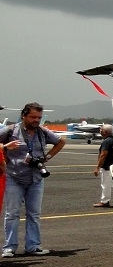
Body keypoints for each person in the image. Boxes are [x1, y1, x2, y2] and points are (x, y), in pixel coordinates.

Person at [1, 102, 65, 257]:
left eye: (39, 117)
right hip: (14, 177)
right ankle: (9, 247)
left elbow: (61, 141)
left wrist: (46, 157)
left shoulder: (42, 132)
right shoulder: (11, 130)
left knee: (34, 214)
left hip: (36, 178)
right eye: (33, 117)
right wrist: (5, 147)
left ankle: (33, 245)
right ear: (24, 115)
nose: (36, 120)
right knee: (12, 213)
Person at [93, 124, 113, 208]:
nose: (100, 131)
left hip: (106, 166)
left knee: (105, 184)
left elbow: (103, 155)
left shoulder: (106, 141)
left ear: (105, 132)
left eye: (101, 130)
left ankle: (105, 201)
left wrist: (97, 167)